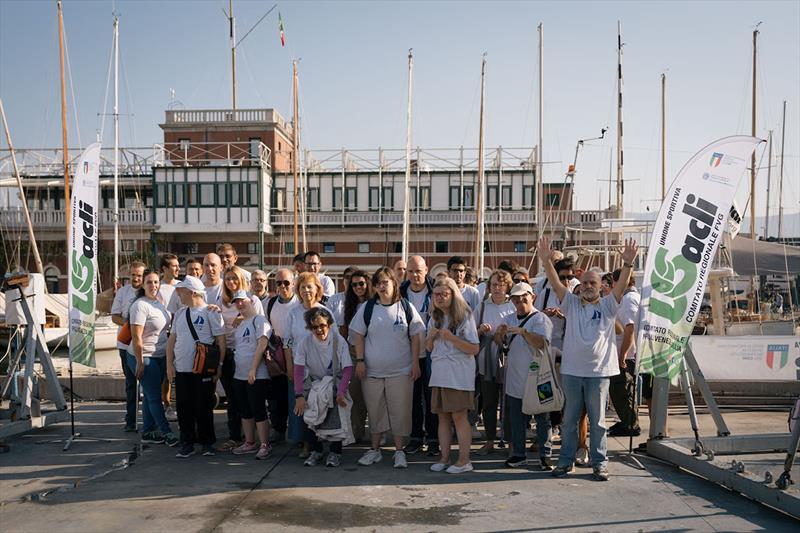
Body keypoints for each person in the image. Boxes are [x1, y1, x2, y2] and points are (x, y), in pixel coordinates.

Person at [538, 235, 638, 481]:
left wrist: (627, 264)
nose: (588, 286)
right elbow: (554, 281)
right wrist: (545, 261)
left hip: (599, 373)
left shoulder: (607, 305)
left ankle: (599, 463)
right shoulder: (570, 303)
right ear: (579, 285)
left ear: (601, 286)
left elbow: (621, 286)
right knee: (569, 420)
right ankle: (565, 462)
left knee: (598, 422)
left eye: (593, 282)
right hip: (572, 372)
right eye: (585, 283)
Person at [350, 267, 424, 469]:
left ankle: (399, 451)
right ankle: (374, 450)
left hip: (401, 371)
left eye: (386, 282)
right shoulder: (367, 308)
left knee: (400, 411)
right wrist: (360, 361)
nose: (382, 286)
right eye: (379, 283)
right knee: (375, 411)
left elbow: (416, 335)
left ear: (394, 284)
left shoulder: (406, 307)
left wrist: (416, 362)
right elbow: (358, 335)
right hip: (372, 372)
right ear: (374, 287)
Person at [495, 282, 554, 470]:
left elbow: (542, 343)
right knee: (516, 419)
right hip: (514, 378)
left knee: (543, 419)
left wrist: (524, 332)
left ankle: (546, 455)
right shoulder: (509, 318)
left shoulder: (541, 319)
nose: (520, 301)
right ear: (511, 300)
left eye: (524, 297)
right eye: (516, 298)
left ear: (532, 296)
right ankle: (519, 454)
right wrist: (500, 334)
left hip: (540, 377)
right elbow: (501, 344)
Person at [166, 276, 225, 458]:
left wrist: (219, 366)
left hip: (203, 369)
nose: (178, 294)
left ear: (192, 292)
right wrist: (169, 364)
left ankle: (207, 443)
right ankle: (187, 442)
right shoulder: (181, 313)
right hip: (182, 369)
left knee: (204, 407)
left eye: (181, 291)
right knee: (184, 408)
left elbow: (221, 341)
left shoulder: (211, 312)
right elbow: (171, 341)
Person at [426, 277, 480, 474]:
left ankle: (464, 460)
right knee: (442, 418)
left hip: (458, 374)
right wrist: (430, 339)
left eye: (444, 294)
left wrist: (452, 338)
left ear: (453, 295)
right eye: (436, 294)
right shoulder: (435, 316)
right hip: (439, 374)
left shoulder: (465, 315)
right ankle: (444, 458)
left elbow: (474, 348)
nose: (439, 298)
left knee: (459, 417)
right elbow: (429, 348)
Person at [293, 307, 353, 467]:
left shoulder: (339, 340)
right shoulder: (305, 342)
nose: (319, 330)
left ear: (329, 324)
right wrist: (299, 395)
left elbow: (347, 368)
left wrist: (340, 392)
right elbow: (298, 370)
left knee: (335, 416)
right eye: (314, 327)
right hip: (314, 383)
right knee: (310, 415)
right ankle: (316, 450)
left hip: (334, 382)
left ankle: (335, 452)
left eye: (322, 326)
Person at [215, 266, 264, 451]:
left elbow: (260, 322)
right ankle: (235, 436)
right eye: (227, 279)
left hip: (248, 354)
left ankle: (254, 437)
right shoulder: (221, 300)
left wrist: (242, 318)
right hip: (227, 353)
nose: (231, 282)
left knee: (250, 397)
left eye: (234, 278)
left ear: (242, 279)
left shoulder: (252, 299)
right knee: (233, 398)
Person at [127, 270, 177, 446]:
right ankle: (166, 432)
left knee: (149, 396)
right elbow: (136, 337)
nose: (154, 286)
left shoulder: (159, 303)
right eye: (149, 282)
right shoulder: (140, 306)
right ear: (142, 285)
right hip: (145, 356)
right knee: (155, 397)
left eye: (156, 282)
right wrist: (140, 362)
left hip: (160, 355)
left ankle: (148, 431)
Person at [284, 272, 331, 457]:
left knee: (320, 405)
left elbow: (332, 340)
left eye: (309, 286)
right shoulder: (293, 313)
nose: (306, 290)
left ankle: (322, 444)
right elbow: (287, 341)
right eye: (302, 287)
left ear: (317, 289)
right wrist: (289, 365)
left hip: (320, 367)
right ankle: (306, 444)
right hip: (298, 367)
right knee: (302, 406)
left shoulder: (325, 311)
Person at [474, 270, 515, 455]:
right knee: (489, 402)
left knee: (509, 402)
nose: (497, 288)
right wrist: (480, 330)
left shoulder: (513, 306)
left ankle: (510, 440)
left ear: (507, 286)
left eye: (501, 285)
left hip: (509, 358)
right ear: (489, 287)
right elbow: (470, 334)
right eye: (493, 285)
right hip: (486, 360)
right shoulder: (482, 307)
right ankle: (490, 440)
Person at [401, 255, 439, 456]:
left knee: (431, 397)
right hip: (408, 354)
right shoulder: (400, 293)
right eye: (410, 271)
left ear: (426, 270)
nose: (414, 275)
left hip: (433, 354)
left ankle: (433, 439)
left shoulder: (436, 291)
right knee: (413, 399)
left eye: (418, 270)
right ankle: (416, 437)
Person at [230, 290, 273, 460]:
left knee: (259, 409)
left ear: (251, 301)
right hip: (239, 374)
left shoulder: (259, 320)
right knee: (245, 410)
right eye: (237, 302)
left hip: (257, 375)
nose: (240, 304)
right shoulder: (240, 324)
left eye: (243, 301)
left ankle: (265, 444)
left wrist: (253, 369)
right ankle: (249, 442)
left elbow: (262, 344)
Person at [263, 268, 299, 443]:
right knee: (276, 398)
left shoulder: (300, 302)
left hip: (297, 355)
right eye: (279, 282)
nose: (283, 286)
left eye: (286, 282)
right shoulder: (269, 304)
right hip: (276, 357)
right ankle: (278, 429)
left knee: (296, 396)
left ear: (293, 283)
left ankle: (298, 434)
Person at [111, 261, 145, 432]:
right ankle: (130, 421)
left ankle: (148, 422)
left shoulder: (148, 291)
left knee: (147, 386)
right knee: (131, 385)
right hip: (125, 345)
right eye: (133, 274)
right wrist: (130, 324)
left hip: (145, 346)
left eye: (139, 275)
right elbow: (114, 316)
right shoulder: (123, 292)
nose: (136, 278)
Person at [608, 268, 641, 437]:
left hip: (625, 356)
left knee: (621, 391)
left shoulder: (628, 300)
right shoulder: (634, 297)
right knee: (621, 391)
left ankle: (630, 424)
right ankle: (628, 421)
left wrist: (622, 355)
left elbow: (630, 329)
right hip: (627, 354)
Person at [341, 269, 373, 442]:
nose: (358, 287)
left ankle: (377, 432)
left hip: (374, 352)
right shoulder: (348, 305)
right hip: (353, 353)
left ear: (367, 283)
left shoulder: (375, 303)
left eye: (361, 283)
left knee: (374, 396)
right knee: (356, 395)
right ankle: (357, 431)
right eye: (354, 284)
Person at [158, 253, 181, 422]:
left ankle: (176, 404)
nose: (178, 268)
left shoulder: (182, 286)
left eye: (178, 265)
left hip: (180, 335)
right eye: (174, 265)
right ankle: (167, 405)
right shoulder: (157, 286)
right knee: (166, 374)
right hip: (163, 334)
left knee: (177, 372)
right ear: (164, 269)